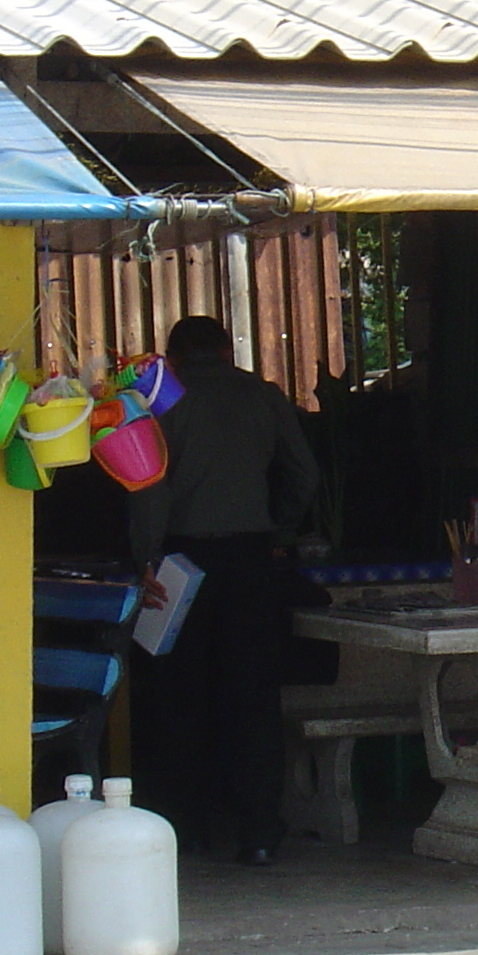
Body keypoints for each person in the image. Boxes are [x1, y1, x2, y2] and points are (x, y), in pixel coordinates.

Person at [129, 316, 320, 864]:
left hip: (179, 561)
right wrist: (278, 529)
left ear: (174, 358)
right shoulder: (262, 396)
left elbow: (149, 489)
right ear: (226, 349)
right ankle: (259, 832)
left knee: (178, 696)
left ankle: (182, 827)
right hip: (250, 560)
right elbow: (303, 475)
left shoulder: (160, 402)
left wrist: (145, 557)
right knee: (253, 696)